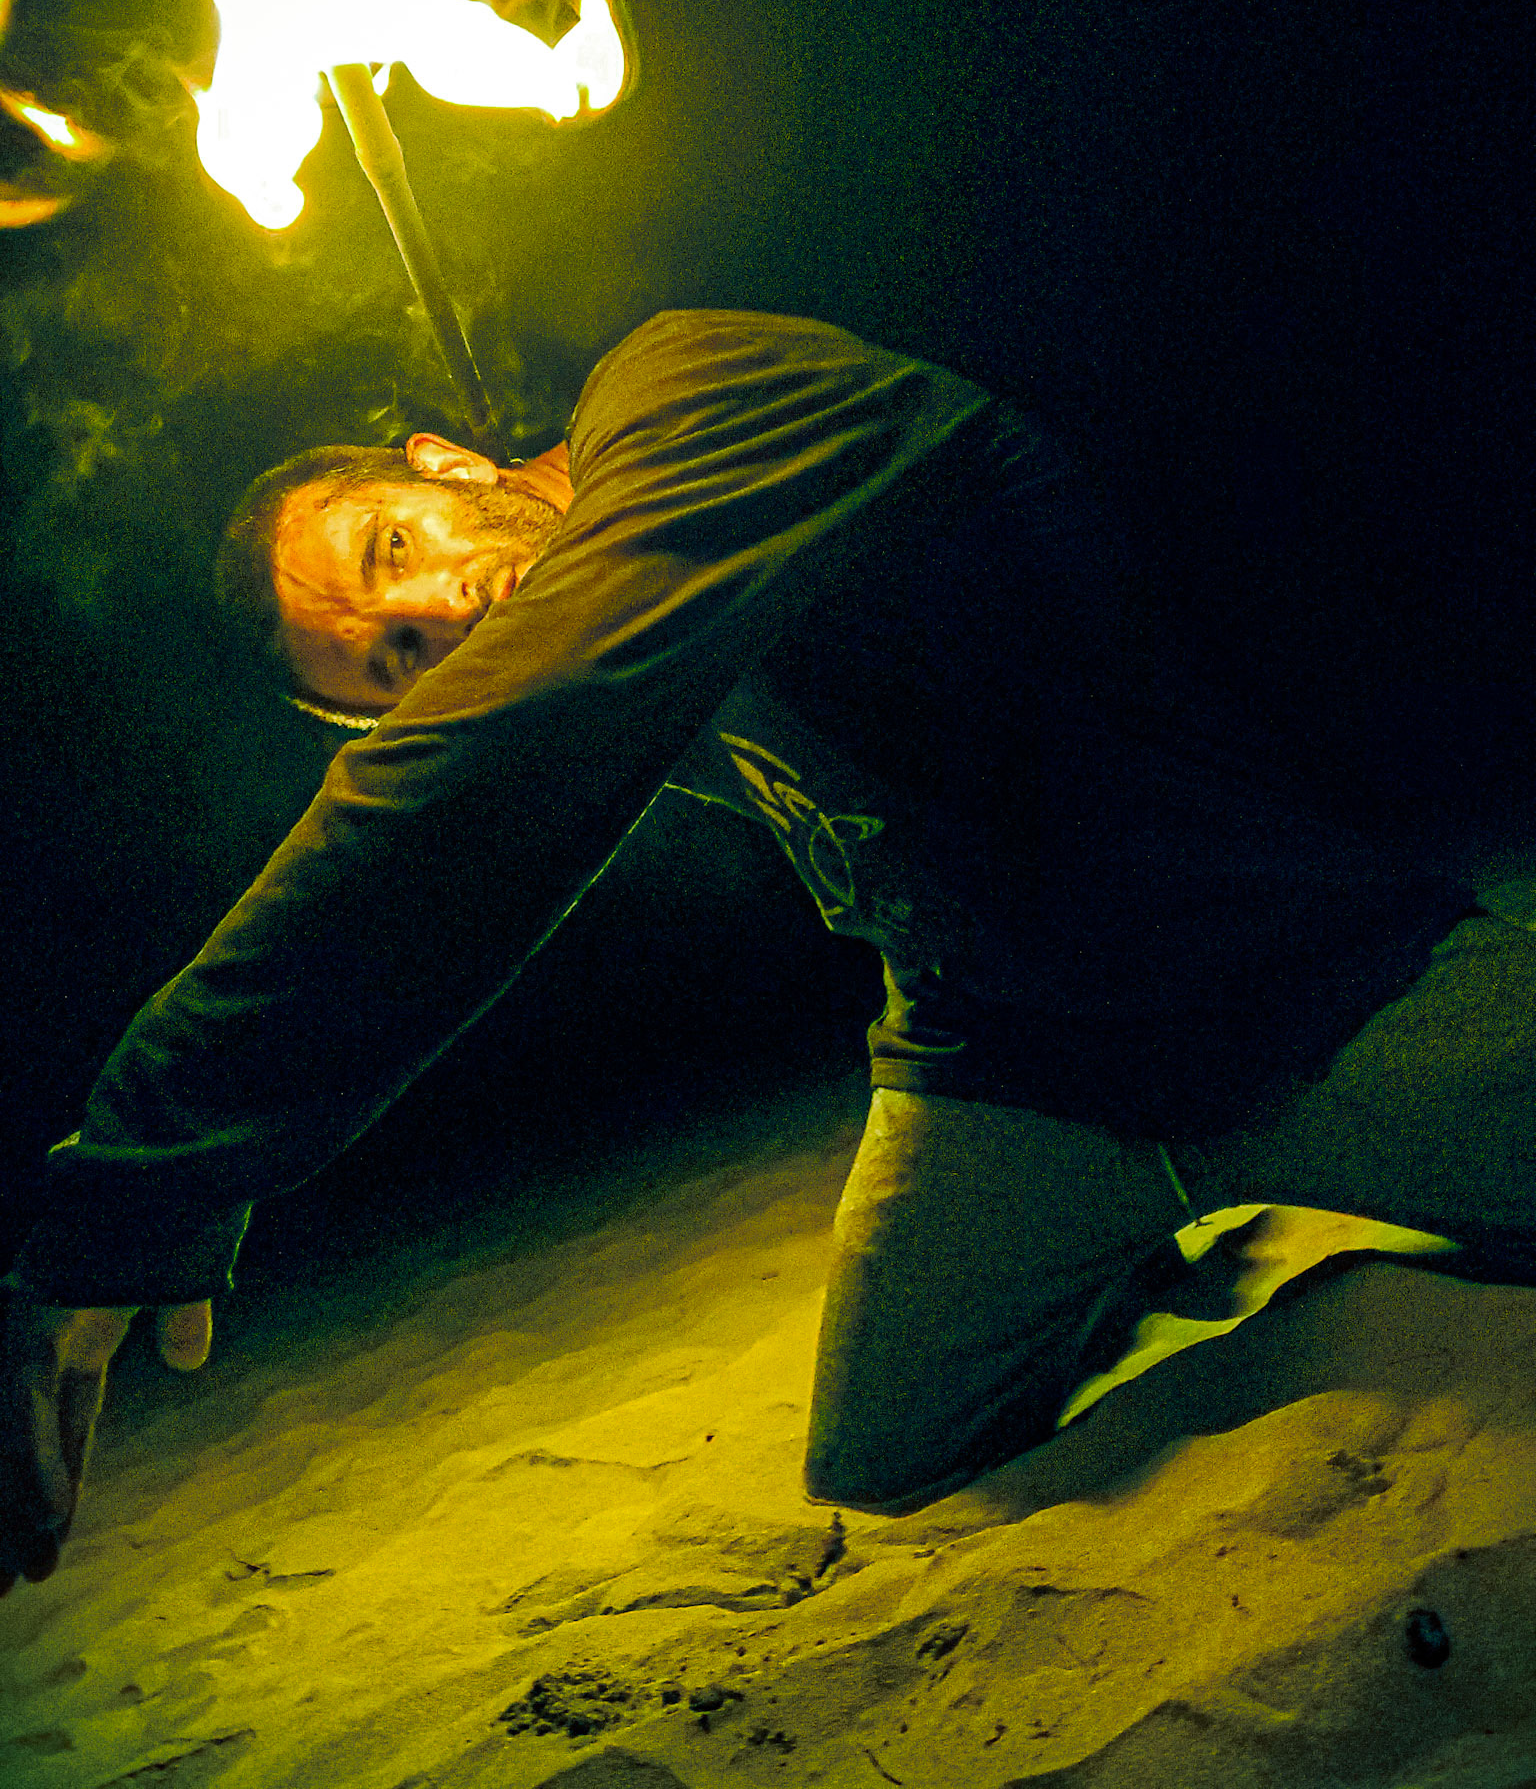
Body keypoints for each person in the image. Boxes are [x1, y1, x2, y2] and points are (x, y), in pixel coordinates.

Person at [3, 308, 1532, 1596]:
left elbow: (473, 782)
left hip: (1306, 988)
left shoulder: (704, 389)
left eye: (394, 544)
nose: (433, 608)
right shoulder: (615, 664)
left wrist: (141, 1171)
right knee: (887, 1462)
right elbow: (507, 796)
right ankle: (1135, 1251)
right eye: (396, 661)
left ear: (447, 462)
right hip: (1017, 1085)